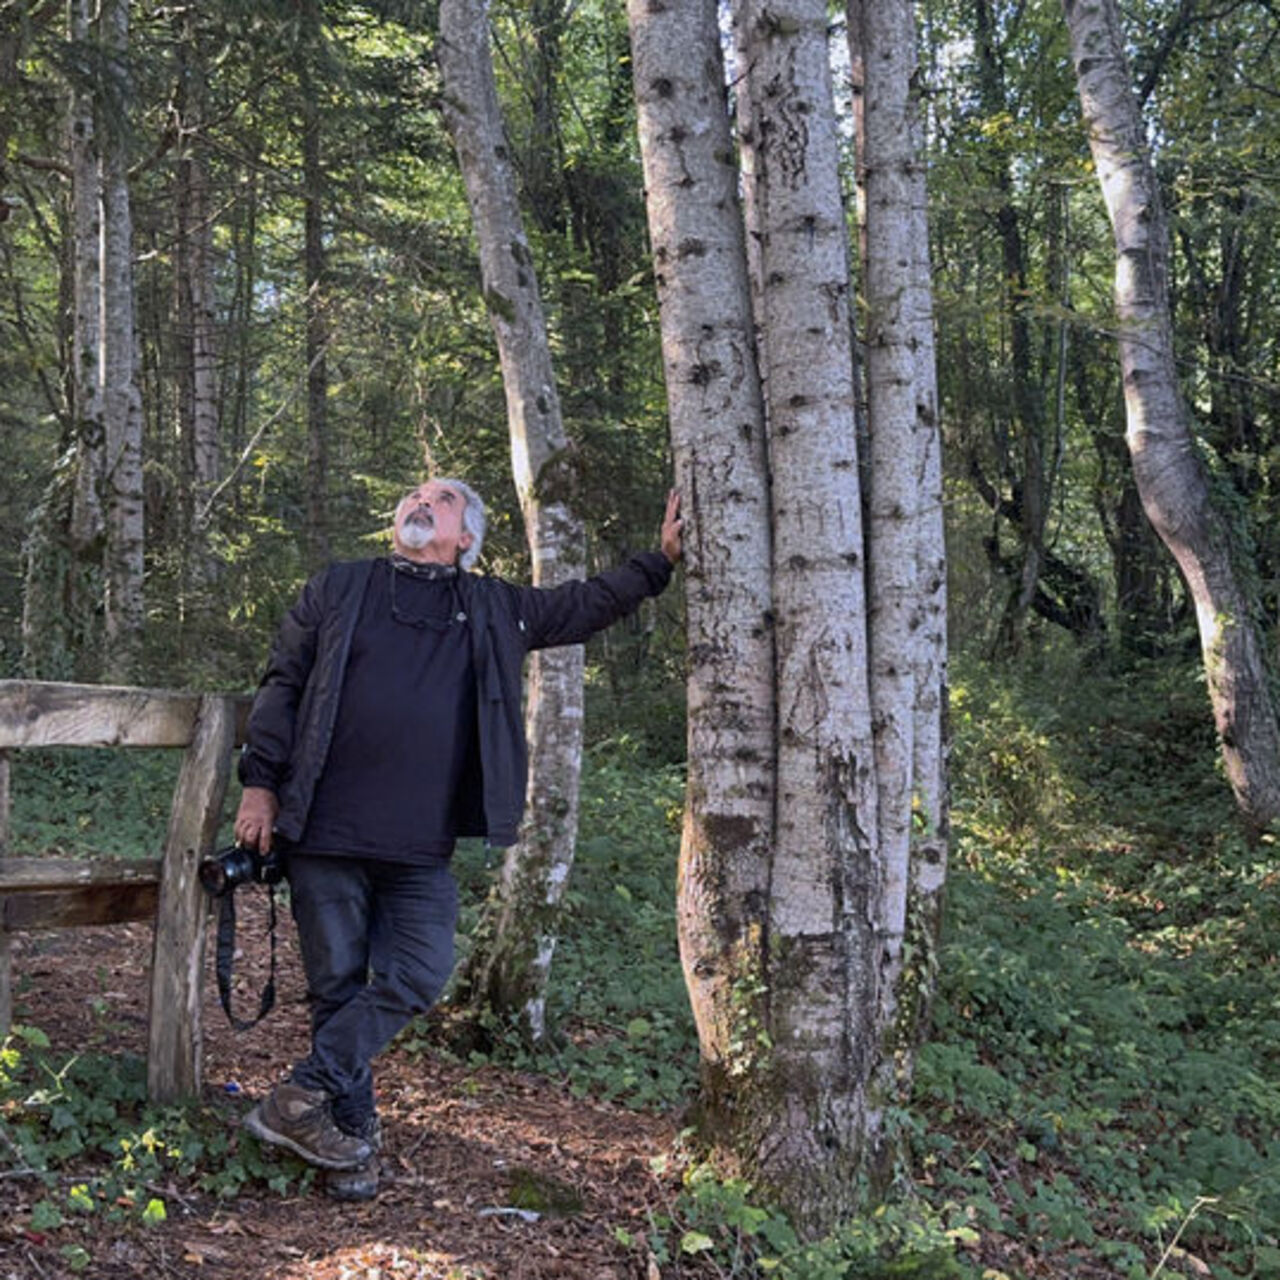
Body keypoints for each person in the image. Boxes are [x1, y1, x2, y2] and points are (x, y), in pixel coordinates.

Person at [234, 479, 683, 1201]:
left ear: (465, 537)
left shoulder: (492, 607)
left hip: (419, 850)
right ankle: (351, 1150)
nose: (420, 501)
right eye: (414, 494)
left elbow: (584, 603)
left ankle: (299, 1096)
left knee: (418, 973)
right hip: (324, 831)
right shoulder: (341, 588)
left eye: (440, 499)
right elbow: (282, 683)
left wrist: (658, 562)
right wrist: (259, 783)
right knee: (337, 989)